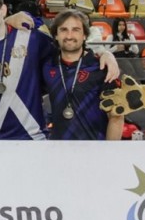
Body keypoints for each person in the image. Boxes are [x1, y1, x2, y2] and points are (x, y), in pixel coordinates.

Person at [0, 0, 119, 140]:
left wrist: (104, 54)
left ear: (3, 10)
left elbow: (69, 50)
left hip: (33, 136)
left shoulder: (32, 38)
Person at [43, 9, 123, 140]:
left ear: (85, 35)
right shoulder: (47, 65)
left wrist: (109, 154)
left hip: (94, 150)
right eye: (63, 30)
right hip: (58, 149)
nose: (69, 35)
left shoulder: (102, 67)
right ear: (56, 35)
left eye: (76, 30)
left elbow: (116, 116)